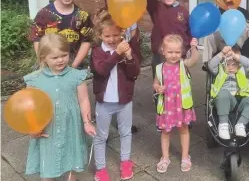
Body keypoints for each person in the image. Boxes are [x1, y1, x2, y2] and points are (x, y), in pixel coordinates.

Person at [23, 34, 96, 180]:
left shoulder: (76, 76)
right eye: (55, 57)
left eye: (64, 55)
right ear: (43, 58)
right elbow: (28, 105)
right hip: (47, 126)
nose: (61, 60)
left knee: (71, 155)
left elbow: (83, 99)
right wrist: (32, 126)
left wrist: (87, 122)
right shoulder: (34, 80)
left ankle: (71, 177)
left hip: (71, 124)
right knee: (47, 159)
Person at [91, 11, 141, 181]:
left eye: (115, 35)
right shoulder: (98, 52)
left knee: (125, 132)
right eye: (107, 36)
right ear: (100, 35)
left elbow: (134, 73)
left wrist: (128, 57)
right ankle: (101, 168)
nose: (112, 39)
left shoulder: (126, 49)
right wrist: (117, 53)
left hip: (124, 101)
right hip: (104, 103)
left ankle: (125, 162)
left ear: (121, 33)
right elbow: (102, 70)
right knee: (101, 136)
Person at [153, 34, 200, 173]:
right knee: (165, 132)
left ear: (182, 52)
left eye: (177, 52)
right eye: (170, 51)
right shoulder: (159, 68)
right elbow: (155, 82)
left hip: (181, 106)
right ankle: (165, 157)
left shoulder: (183, 64)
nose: (174, 55)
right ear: (163, 50)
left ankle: (185, 156)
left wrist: (194, 48)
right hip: (167, 106)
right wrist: (157, 87)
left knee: (184, 130)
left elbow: (193, 60)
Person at [135, 0, 192, 79]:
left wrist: (187, 50)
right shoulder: (156, 8)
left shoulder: (184, 12)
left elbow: (189, 32)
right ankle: (159, 96)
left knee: (178, 84)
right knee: (160, 85)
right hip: (160, 56)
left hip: (178, 55)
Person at [28, 0, 93, 69]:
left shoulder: (82, 16)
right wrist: (45, 63)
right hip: (49, 67)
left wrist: (74, 66)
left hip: (74, 67)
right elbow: (37, 41)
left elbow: (86, 41)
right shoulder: (44, 14)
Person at [208, 45, 249, 140]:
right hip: (223, 100)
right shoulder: (220, 70)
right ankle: (223, 124)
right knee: (224, 92)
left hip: (240, 101)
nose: (231, 67)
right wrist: (222, 53)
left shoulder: (243, 70)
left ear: (239, 63)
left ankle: (241, 124)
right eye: (228, 64)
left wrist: (235, 55)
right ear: (223, 63)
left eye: (234, 64)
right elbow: (211, 65)